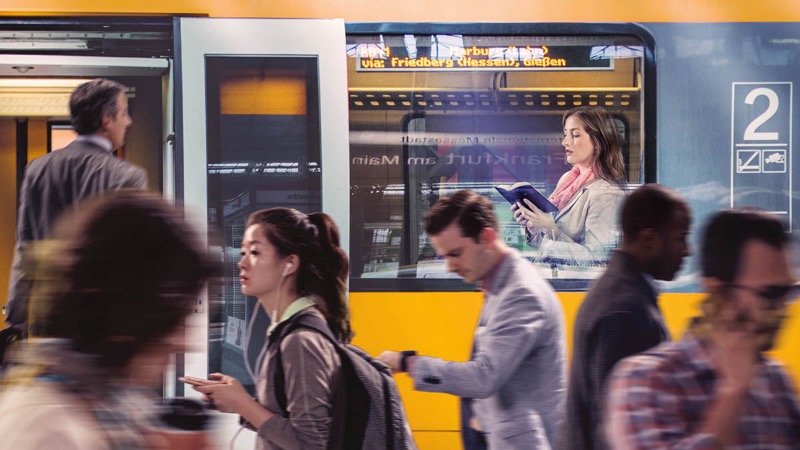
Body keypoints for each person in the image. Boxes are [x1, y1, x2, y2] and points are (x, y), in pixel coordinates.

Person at [0, 192, 217, 449]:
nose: (185, 343)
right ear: (129, 312)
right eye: (176, 320)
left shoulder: (113, 400)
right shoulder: (43, 430)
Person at [379, 190, 567, 449]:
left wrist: (407, 362)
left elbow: (484, 377)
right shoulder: (499, 284)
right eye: (445, 256)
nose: (449, 267)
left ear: (486, 238)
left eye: (455, 254)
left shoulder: (522, 293)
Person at [605, 208, 800, 449]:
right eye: (771, 293)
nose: (784, 308)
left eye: (790, 291)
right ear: (720, 293)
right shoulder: (646, 381)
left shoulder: (775, 380)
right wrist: (732, 392)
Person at [192, 207, 350, 450]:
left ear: (290, 263)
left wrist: (244, 404)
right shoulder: (288, 329)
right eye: (243, 252)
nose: (242, 263)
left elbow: (312, 444)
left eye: (255, 252)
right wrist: (235, 402)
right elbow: (287, 423)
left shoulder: (301, 341)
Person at [4, 77, 147, 334]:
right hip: (104, 327)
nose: (128, 122)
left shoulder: (37, 169)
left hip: (50, 322)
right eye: (124, 113)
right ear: (107, 119)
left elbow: (25, 247)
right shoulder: (126, 176)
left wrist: (17, 317)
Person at [561, 184, 691, 450]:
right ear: (650, 239)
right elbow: (612, 426)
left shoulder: (620, 291)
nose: (687, 250)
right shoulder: (626, 311)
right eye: (680, 237)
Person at [513, 106, 625, 266]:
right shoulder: (567, 181)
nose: (565, 142)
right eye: (566, 134)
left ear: (598, 141)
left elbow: (597, 259)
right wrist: (534, 227)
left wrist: (550, 228)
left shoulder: (607, 193)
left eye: (575, 135)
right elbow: (548, 247)